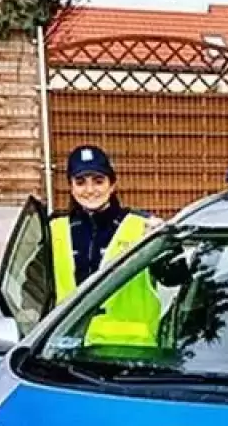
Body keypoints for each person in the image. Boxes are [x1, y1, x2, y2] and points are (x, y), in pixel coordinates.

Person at [50, 144, 165, 347]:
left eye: (98, 181)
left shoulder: (142, 225)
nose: (90, 190)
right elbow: (34, 292)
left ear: (112, 185)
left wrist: (162, 242)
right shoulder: (54, 229)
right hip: (68, 346)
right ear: (71, 187)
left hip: (131, 350)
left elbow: (176, 277)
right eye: (80, 182)